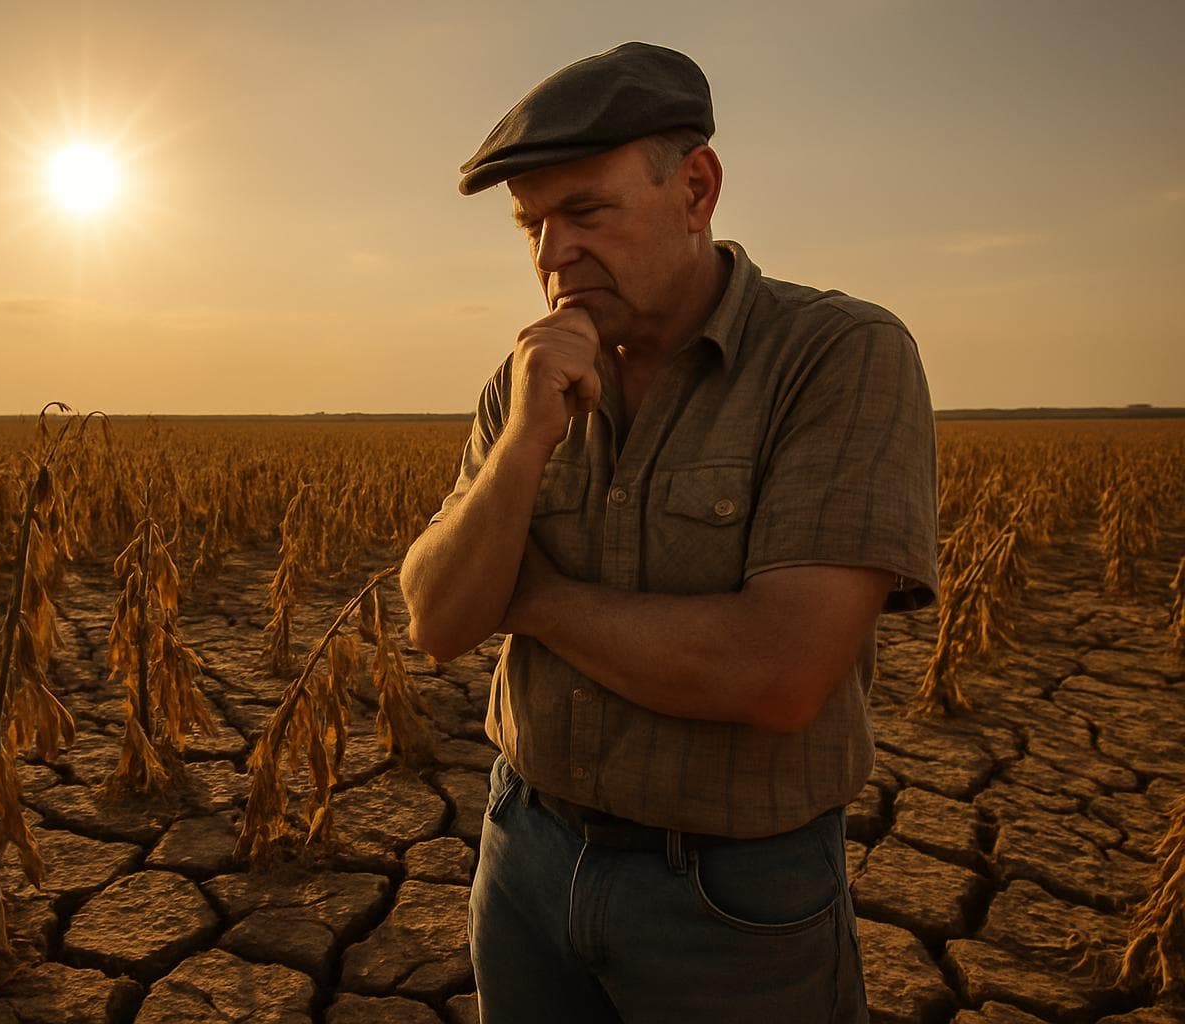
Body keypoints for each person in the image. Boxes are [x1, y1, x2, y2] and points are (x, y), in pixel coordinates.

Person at [399, 42, 940, 1024]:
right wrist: (524, 438)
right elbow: (437, 619)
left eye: (588, 212)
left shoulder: (838, 356)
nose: (552, 254)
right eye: (533, 225)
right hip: (523, 849)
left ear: (696, 188)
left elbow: (776, 673)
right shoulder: (523, 381)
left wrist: (536, 599)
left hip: (732, 899)